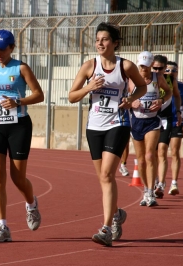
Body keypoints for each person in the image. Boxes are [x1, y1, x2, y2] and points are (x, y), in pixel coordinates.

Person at [68, 22, 147, 247]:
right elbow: (71, 97)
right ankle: (117, 214)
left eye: (104, 39)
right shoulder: (89, 67)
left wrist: (130, 99)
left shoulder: (126, 66)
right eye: (97, 39)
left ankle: (105, 229)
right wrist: (88, 87)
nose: (99, 43)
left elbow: (141, 87)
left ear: (114, 43)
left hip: (118, 123)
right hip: (94, 126)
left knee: (106, 175)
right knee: (104, 179)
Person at [0, 29, 44, 242]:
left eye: (2, 49)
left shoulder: (21, 68)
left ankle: (31, 204)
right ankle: (2, 226)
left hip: (19, 126)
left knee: (17, 178)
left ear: (12, 48)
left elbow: (39, 94)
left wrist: (18, 102)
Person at [128, 51, 172, 207]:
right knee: (140, 159)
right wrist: (130, 102)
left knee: (148, 155)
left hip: (152, 121)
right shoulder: (131, 79)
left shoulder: (157, 78)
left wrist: (160, 100)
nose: (143, 69)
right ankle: (146, 191)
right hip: (136, 121)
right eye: (141, 66)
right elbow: (123, 98)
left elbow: (169, 92)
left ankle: (151, 192)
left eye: (146, 66)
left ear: (151, 65)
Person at [152, 56, 182, 199]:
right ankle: (154, 180)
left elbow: (176, 95)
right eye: (155, 68)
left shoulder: (170, 81)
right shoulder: (146, 79)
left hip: (165, 119)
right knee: (151, 154)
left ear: (165, 68)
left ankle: (161, 185)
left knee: (162, 150)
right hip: (149, 120)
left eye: (161, 68)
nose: (157, 71)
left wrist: (177, 111)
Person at [167, 62, 183, 195]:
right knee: (158, 153)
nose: (171, 72)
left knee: (175, 151)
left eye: (174, 70)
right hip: (160, 122)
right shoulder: (157, 85)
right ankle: (158, 181)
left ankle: (174, 183)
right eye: (168, 70)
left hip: (176, 122)